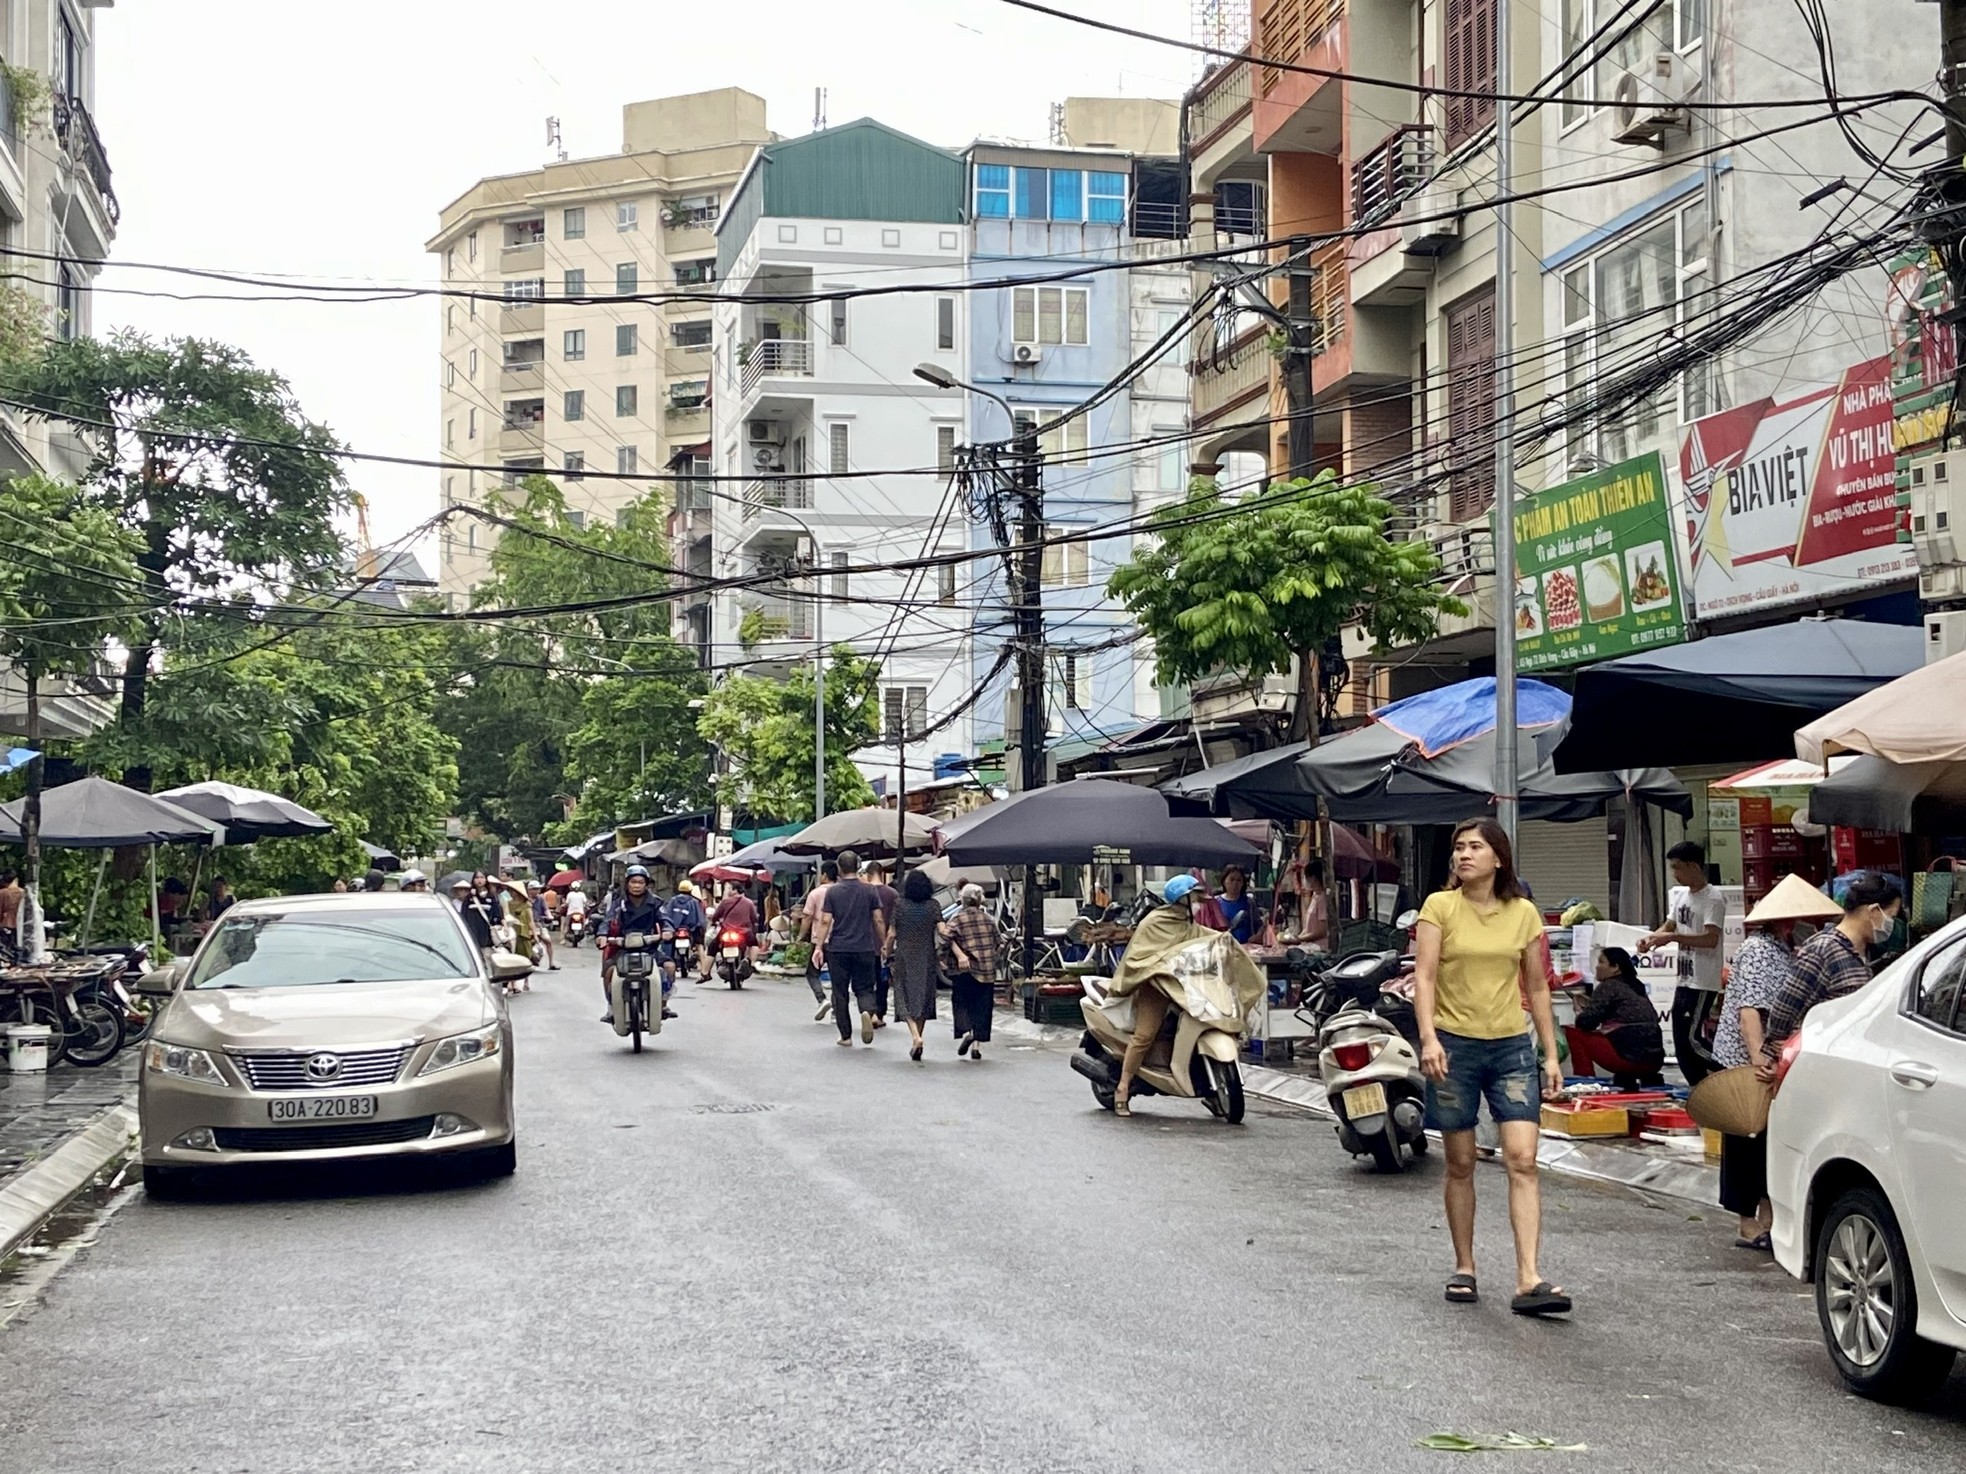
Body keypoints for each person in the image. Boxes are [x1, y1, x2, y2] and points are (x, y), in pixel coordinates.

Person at [1413, 817, 1569, 1317]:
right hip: (1453, 1048)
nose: (1463, 855)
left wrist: (1549, 1053)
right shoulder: (1439, 907)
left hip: (1510, 1049)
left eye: (1475, 847)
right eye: (1458, 848)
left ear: (1498, 858)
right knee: (1460, 1163)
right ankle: (1465, 1266)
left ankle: (1529, 1277)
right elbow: (1425, 976)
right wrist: (1430, 1038)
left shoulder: (1523, 914)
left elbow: (1538, 985)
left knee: (1522, 1159)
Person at [1710, 875, 1842, 1251]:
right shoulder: (1757, 951)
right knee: (1746, 1142)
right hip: (1747, 1063)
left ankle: (1768, 1218)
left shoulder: (1788, 948)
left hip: (1774, 1060)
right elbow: (1749, 1012)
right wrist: (1758, 1061)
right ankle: (1748, 1223)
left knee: (1767, 1143)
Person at [1759, 871, 1901, 1075]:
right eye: (1891, 916)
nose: (1891, 924)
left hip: (1845, 1062)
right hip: (1817, 1067)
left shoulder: (1861, 951)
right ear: (1873, 911)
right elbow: (1784, 1012)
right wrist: (1781, 1060)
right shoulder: (1824, 950)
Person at [1109, 875, 1216, 1115]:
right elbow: (1139, 958)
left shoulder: (1188, 923)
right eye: (1195, 897)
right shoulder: (1155, 922)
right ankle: (1123, 1087)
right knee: (1144, 1035)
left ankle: (1210, 1088)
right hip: (1155, 986)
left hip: (1185, 987)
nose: (1199, 901)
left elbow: (1205, 938)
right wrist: (1160, 969)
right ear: (1182, 899)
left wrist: (1226, 942)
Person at [1638, 840, 1727, 1086]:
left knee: (1691, 1039)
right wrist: (1652, 938)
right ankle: (1698, 1088)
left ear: (1693, 866)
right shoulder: (1683, 897)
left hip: (1702, 980)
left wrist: (1671, 937)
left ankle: (1728, 1069)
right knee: (1680, 1041)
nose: (1675, 874)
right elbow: (1669, 925)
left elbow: (1710, 939)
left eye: (1678, 868)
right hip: (1684, 978)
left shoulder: (1713, 899)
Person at [814, 848, 888, 1047]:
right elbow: (878, 919)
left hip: (838, 948)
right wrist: (884, 944)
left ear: (839, 868)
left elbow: (825, 922)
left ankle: (845, 1035)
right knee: (864, 987)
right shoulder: (869, 890)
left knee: (840, 992)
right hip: (864, 946)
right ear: (857, 866)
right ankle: (866, 1010)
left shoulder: (833, 892)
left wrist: (818, 947)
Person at [1561, 947, 1665, 1089]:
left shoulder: (1608, 986)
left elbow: (1585, 1023)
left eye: (1601, 962)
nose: (1597, 967)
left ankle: (1584, 1084)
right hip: (1654, 1061)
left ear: (1615, 968)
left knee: (1574, 1033)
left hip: (1628, 1059)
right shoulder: (1636, 985)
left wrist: (1579, 1011)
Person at [600, 865, 673, 1022]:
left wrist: (667, 930)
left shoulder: (656, 903)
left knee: (669, 967)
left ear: (646, 884)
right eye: (633, 882)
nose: (637, 885)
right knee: (609, 972)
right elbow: (607, 920)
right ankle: (612, 1008)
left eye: (640, 882)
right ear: (627, 883)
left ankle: (663, 1004)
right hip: (623, 949)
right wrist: (602, 935)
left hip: (649, 948)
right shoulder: (619, 904)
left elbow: (665, 919)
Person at [885, 868, 942, 1061]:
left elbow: (892, 933)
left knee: (903, 996)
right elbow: (942, 929)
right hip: (927, 956)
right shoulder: (933, 906)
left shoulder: (900, 905)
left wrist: (886, 949)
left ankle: (915, 1037)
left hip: (905, 956)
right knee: (924, 997)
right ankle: (919, 1037)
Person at [940, 882, 1000, 1060]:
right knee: (982, 1006)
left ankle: (968, 1031)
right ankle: (976, 1045)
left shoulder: (957, 919)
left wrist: (947, 957)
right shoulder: (989, 919)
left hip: (964, 970)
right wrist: (992, 956)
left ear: (963, 901)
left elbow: (944, 938)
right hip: (986, 970)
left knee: (963, 1003)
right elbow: (1000, 941)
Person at [799, 862, 838, 1020]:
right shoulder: (841, 892)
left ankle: (821, 999)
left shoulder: (815, 893)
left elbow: (807, 917)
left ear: (825, 875)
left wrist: (801, 936)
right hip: (839, 940)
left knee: (812, 973)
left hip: (819, 941)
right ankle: (837, 1011)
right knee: (838, 977)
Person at [866, 865, 900, 1026]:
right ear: (882, 873)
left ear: (868, 874)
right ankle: (879, 1014)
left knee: (867, 981)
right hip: (886, 943)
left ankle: (869, 1011)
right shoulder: (893, 894)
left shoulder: (863, 892)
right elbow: (896, 921)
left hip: (864, 943)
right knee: (883, 980)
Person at [1278, 853, 1329, 950]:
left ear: (1313, 878)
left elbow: (1322, 931)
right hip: (1309, 945)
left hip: (1319, 947)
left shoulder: (1323, 898)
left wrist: (1299, 939)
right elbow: (1308, 929)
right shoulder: (1315, 896)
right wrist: (1296, 938)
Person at [664, 880, 707, 982]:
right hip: (690, 928)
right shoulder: (694, 902)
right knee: (699, 945)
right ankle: (704, 969)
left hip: (674, 929)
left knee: (667, 944)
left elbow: (667, 915)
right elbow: (699, 919)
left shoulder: (673, 901)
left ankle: (667, 962)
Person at [708, 881, 759, 963]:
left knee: (712, 949)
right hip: (744, 932)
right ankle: (752, 964)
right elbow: (754, 918)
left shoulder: (725, 902)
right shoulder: (749, 902)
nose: (727, 891)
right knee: (754, 944)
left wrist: (714, 921)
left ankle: (705, 973)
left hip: (725, 931)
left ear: (735, 890)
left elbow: (716, 916)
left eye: (728, 889)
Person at [1215, 865, 1256, 944]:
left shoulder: (1249, 903)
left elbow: (1258, 925)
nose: (1235, 884)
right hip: (1223, 945)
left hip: (1246, 947)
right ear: (1224, 881)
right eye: (1232, 879)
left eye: (1239, 880)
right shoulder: (1216, 903)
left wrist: (1256, 936)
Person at [527, 881, 559, 971]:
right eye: (535, 889)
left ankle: (551, 963)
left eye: (538, 889)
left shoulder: (541, 899)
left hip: (539, 924)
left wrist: (549, 916)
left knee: (548, 941)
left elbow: (546, 909)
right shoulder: (524, 899)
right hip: (527, 925)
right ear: (529, 890)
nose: (537, 891)